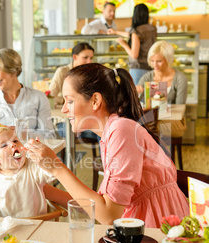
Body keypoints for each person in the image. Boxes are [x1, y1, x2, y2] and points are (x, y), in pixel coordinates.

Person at [25, 63, 189, 228]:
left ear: (95, 100)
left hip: (158, 227)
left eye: (70, 101)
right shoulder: (112, 132)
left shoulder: (122, 130)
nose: (64, 109)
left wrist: (55, 167)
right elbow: (99, 204)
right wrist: (38, 188)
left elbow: (108, 215)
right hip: (139, 222)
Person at [0, 127, 71, 217]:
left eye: (15, 141)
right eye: (4, 145)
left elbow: (52, 173)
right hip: (8, 226)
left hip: (37, 223)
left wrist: (44, 159)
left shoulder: (32, 166)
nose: (13, 144)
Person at [0, 48, 55, 139]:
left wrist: (20, 133)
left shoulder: (39, 98)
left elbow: (50, 136)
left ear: (12, 71)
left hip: (30, 152)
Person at [136, 40, 188, 138]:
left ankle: (154, 150)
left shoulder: (180, 79)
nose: (155, 64)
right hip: (152, 121)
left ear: (168, 59)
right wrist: (136, 93)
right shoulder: (146, 77)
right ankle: (158, 151)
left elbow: (180, 109)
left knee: (143, 129)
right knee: (148, 128)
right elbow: (136, 104)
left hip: (174, 121)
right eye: (152, 61)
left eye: (159, 61)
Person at [49, 42, 98, 140]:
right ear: (75, 57)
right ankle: (68, 155)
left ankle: (106, 155)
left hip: (85, 118)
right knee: (68, 131)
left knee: (103, 129)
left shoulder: (90, 74)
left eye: (91, 58)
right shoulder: (62, 71)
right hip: (64, 119)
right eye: (85, 57)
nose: (89, 61)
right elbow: (51, 95)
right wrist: (67, 101)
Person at [107, 3, 156, 85]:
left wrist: (123, 44)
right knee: (148, 96)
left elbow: (134, 55)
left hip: (138, 69)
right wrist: (116, 32)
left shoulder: (137, 31)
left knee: (136, 96)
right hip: (151, 68)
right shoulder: (152, 29)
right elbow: (133, 36)